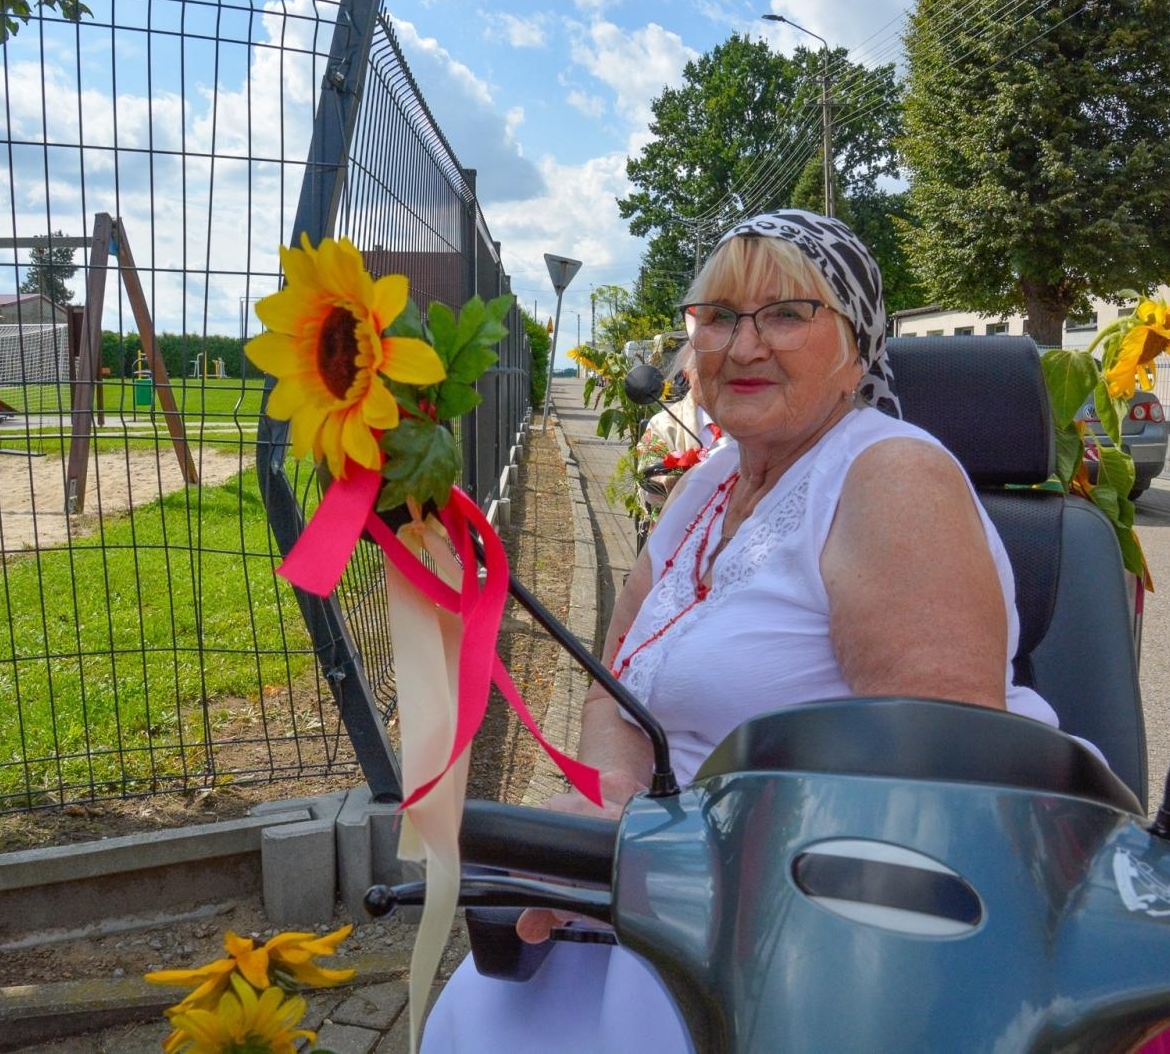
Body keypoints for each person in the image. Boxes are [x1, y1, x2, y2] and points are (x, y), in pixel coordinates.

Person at [421, 209, 1075, 1053]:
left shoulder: (892, 476)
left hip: (817, 924)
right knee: (483, 1017)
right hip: (660, 886)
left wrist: (687, 863)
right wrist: (612, 804)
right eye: (719, 316)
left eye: (787, 313)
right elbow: (619, 677)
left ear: (858, 344)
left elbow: (933, 778)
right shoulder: (710, 485)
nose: (742, 344)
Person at [633, 345, 721, 515]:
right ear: (687, 374)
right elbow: (646, 477)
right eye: (703, 368)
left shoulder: (748, 418)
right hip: (678, 522)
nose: (712, 377)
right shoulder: (664, 423)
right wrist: (668, 481)